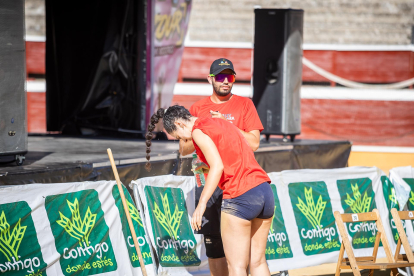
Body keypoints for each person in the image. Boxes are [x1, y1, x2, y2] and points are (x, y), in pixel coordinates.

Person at [145, 105, 274, 276]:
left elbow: (218, 166)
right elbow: (229, 158)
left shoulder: (198, 131)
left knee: (237, 267)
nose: (182, 141)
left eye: (178, 137)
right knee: (258, 262)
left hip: (240, 193)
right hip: (264, 190)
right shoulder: (221, 122)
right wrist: (208, 168)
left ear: (179, 124)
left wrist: (202, 204)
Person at [180, 58, 264, 276]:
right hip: (208, 181)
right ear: (210, 79)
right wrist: (204, 130)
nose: (226, 81)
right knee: (214, 247)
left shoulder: (245, 104)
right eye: (220, 76)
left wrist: (226, 126)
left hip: (237, 183)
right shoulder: (198, 108)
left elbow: (254, 143)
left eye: (230, 76)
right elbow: (183, 149)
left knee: (243, 255)